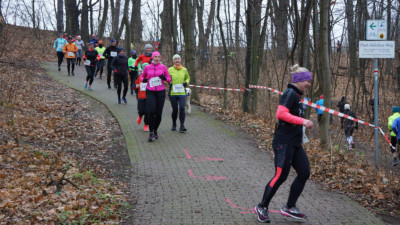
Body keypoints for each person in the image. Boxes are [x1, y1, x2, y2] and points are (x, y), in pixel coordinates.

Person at [255, 64, 313, 223]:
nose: (309, 84)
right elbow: (281, 114)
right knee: (281, 175)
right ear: (299, 80)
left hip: (294, 143)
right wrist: (303, 121)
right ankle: (262, 206)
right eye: (307, 80)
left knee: (304, 172)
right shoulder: (290, 93)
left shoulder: (297, 96)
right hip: (284, 142)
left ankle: (289, 206)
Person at [141, 51, 171, 142]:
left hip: (161, 92)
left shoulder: (163, 67)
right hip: (150, 91)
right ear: (152, 58)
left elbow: (169, 79)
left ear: (160, 58)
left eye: (158, 57)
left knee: (158, 114)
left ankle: (155, 130)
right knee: (151, 112)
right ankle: (150, 132)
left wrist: (164, 78)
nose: (157, 58)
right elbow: (142, 77)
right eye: (155, 57)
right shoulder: (147, 67)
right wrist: (145, 80)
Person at [168, 54, 190, 132]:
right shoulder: (170, 69)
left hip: (182, 92)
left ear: (180, 60)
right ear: (173, 61)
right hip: (172, 93)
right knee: (175, 110)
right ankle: (174, 124)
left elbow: (187, 78)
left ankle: (182, 126)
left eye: (178, 59)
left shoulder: (184, 69)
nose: (177, 60)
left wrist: (186, 82)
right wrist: (168, 81)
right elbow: (166, 79)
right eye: (175, 59)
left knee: (182, 108)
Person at [135, 63, 150, 132]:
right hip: (141, 96)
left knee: (147, 112)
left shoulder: (151, 77)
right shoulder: (139, 76)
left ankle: (146, 125)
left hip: (149, 97)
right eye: (145, 68)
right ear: (143, 69)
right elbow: (133, 84)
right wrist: (136, 85)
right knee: (141, 110)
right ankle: (140, 116)